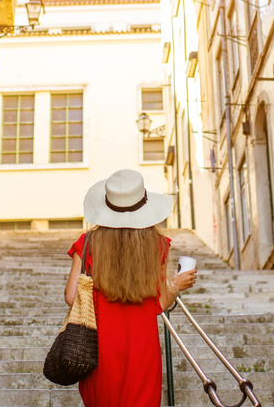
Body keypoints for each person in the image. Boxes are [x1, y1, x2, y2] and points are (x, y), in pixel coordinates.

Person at [64, 169, 198, 407]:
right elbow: (160, 303)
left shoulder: (87, 244)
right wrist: (176, 285)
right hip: (142, 348)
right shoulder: (157, 245)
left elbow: (71, 296)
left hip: (99, 348)